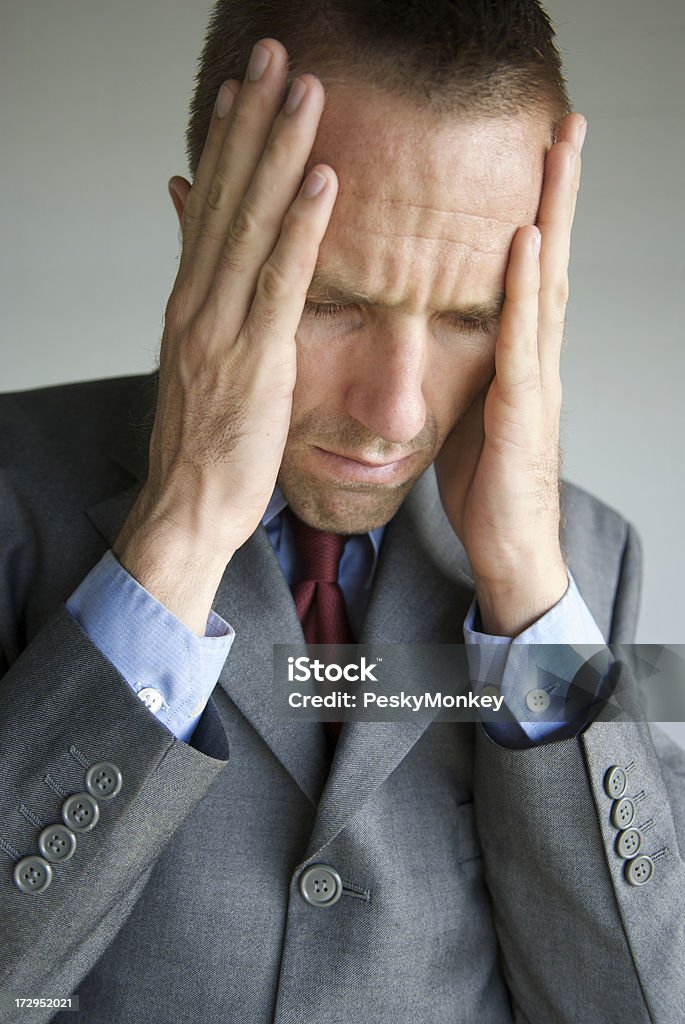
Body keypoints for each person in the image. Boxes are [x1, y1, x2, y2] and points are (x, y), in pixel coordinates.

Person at [1, 1, 683, 1021]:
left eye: (470, 317)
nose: (394, 412)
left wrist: (527, 599)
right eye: (330, 301)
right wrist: (176, 536)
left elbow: (626, 1005)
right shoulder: (15, 495)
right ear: (201, 240)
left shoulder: (585, 557)